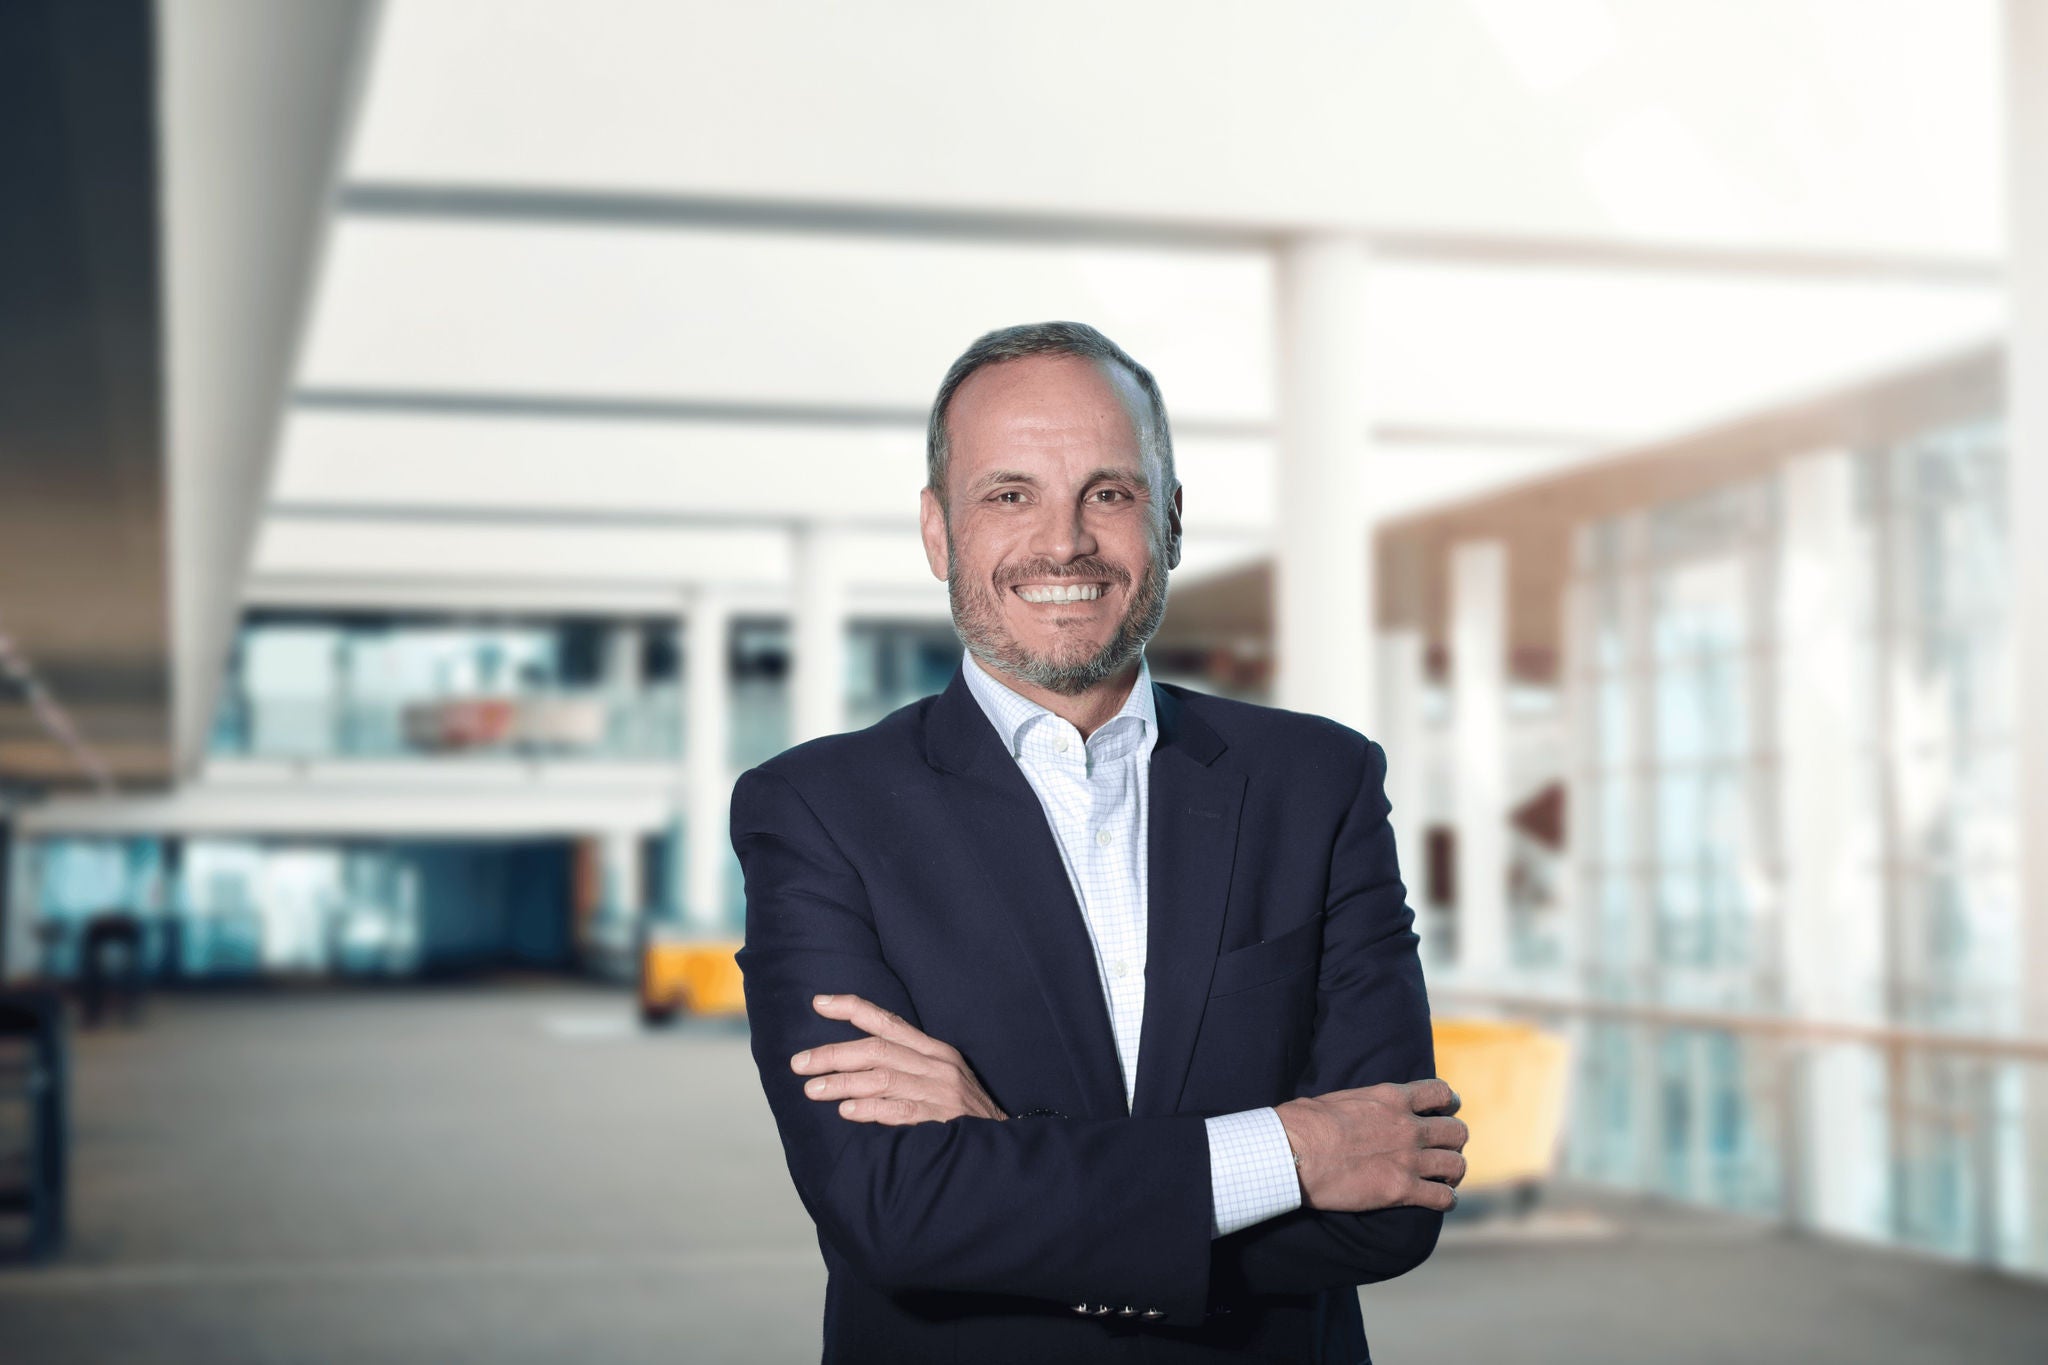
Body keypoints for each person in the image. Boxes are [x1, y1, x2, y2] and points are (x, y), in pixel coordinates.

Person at [731, 321, 1467, 1364]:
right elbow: (893, 1210)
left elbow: (1394, 1191)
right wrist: (1293, 1149)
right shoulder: (816, 810)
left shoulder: (1318, 783)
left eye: (1109, 493)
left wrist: (1007, 1164)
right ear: (939, 531)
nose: (1065, 542)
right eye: (1009, 494)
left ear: (1170, 519)